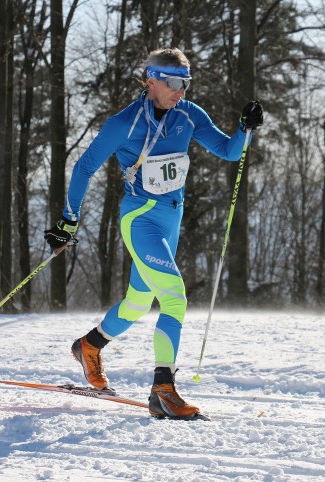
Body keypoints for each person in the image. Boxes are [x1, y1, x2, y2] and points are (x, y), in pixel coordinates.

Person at [44, 48, 263, 419]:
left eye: (186, 81)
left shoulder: (189, 114)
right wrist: (68, 220)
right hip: (140, 219)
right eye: (174, 81)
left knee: (139, 303)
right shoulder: (124, 123)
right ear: (151, 80)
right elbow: (83, 168)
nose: (182, 89)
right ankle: (163, 389)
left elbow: (228, 151)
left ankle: (90, 346)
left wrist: (245, 128)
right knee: (174, 297)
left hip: (171, 221)